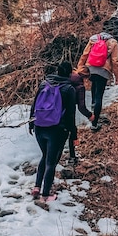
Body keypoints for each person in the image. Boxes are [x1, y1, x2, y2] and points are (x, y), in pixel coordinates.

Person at [29, 60, 76, 202]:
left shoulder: (44, 83)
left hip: (39, 126)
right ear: (69, 73)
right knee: (51, 162)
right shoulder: (69, 89)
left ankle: (37, 187)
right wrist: (72, 133)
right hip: (56, 129)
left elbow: (34, 104)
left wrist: (31, 123)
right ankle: (45, 195)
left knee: (45, 156)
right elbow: (70, 115)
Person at [76, 31, 118, 132]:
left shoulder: (93, 39)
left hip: (90, 67)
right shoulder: (113, 42)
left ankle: (92, 109)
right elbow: (115, 61)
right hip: (103, 70)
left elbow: (85, 54)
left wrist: (80, 67)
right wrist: (117, 76)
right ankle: (94, 124)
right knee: (99, 94)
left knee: (93, 86)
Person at [67, 69, 95, 163]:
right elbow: (81, 107)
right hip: (69, 111)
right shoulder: (79, 85)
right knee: (72, 131)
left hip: (55, 112)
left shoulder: (62, 80)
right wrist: (90, 115)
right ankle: (72, 156)